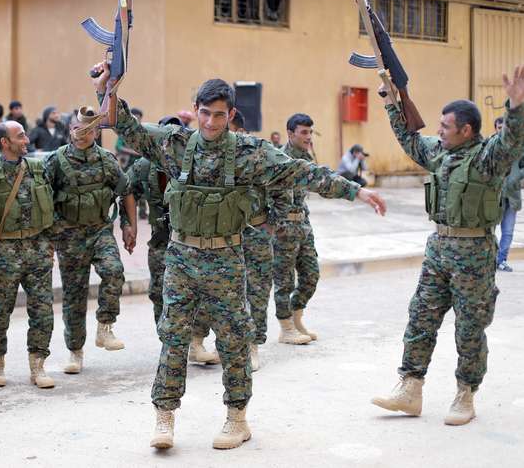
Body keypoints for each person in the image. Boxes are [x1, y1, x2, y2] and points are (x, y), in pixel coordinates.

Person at [93, 64, 386, 450]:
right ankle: (164, 418)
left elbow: (301, 172)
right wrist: (106, 89)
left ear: (231, 114)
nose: (211, 122)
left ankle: (236, 418)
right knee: (173, 339)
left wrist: (355, 191)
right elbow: (124, 125)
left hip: (226, 260)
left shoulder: (251, 153)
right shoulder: (173, 144)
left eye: (219, 114)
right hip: (181, 258)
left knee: (234, 341)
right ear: (194, 109)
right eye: (205, 113)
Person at [371, 66, 524, 426]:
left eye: (445, 126)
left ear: (466, 130)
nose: (438, 131)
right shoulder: (439, 154)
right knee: (420, 317)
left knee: (469, 327)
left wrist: (515, 109)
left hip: (474, 254)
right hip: (438, 249)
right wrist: (392, 103)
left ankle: (465, 393)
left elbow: (512, 143)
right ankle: (410, 388)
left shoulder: (488, 158)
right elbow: (410, 140)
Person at [45, 111, 137, 375]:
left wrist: (129, 226)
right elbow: (44, 199)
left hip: (99, 232)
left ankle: (105, 327)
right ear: (69, 130)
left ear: (96, 132)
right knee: (74, 296)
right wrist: (49, 238)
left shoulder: (107, 161)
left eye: (87, 130)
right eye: (77, 128)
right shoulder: (56, 161)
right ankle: (75, 351)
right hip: (69, 236)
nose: (82, 134)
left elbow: (126, 192)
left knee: (114, 271)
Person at [191, 108, 276, 371]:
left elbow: (280, 186)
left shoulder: (256, 155)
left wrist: (274, 222)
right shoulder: (213, 155)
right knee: (213, 290)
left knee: (258, 291)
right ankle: (202, 340)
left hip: (256, 233)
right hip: (225, 235)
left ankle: (252, 346)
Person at [0, 121, 55, 389]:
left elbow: (50, 209)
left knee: (43, 311)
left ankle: (38, 366)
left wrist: (49, 245)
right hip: (4, 253)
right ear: (4, 142)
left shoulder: (37, 169)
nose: (26, 140)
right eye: (20, 136)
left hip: (37, 251)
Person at [122, 115, 180, 325]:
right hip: (161, 239)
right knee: (158, 292)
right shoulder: (145, 166)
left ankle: (194, 341)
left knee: (193, 293)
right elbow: (127, 190)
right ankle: (165, 339)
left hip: (190, 241)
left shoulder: (191, 163)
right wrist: (129, 225)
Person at [271, 113, 322, 346]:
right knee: (284, 280)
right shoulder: (280, 159)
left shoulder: (307, 157)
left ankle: (296, 317)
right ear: (290, 133)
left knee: (311, 275)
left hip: (303, 225)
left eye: (310, 132)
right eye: (304, 132)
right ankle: (286, 328)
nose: (308, 136)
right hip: (283, 229)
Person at [494, 116, 524, 272]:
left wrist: (517, 175)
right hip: (493, 196)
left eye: (504, 127)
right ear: (496, 129)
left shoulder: (518, 146)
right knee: (489, 229)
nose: (502, 130)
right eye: (499, 128)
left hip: (512, 195)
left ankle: (501, 260)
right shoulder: (490, 145)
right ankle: (490, 260)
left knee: (508, 231)